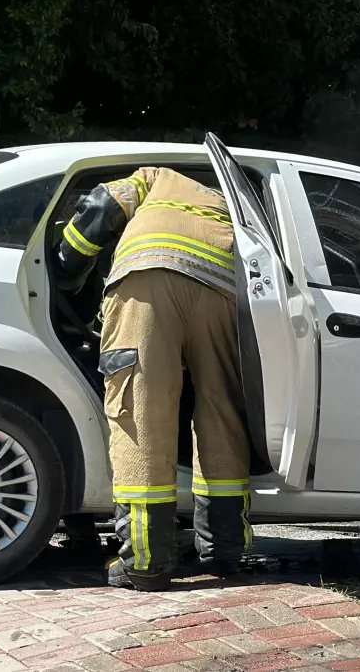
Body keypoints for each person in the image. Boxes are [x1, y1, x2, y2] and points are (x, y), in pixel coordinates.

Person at [54, 167, 251, 592]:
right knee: (222, 413)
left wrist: (66, 271)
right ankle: (224, 550)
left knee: (142, 415)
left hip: (147, 281)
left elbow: (101, 208)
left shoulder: (155, 176)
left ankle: (145, 562)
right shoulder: (231, 203)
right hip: (222, 292)